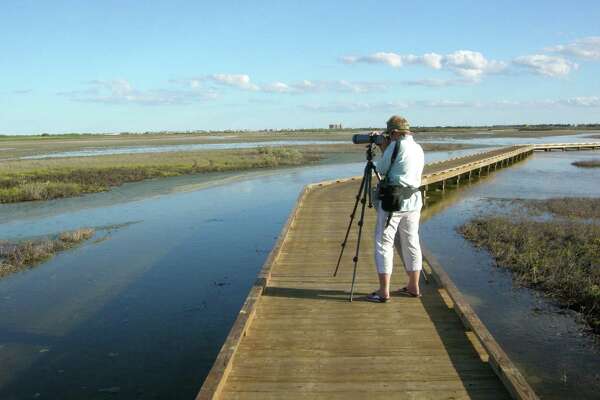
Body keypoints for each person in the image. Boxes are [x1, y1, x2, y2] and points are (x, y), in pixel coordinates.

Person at [367, 115, 425, 303]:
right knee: (411, 241)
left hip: (394, 203)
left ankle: (384, 292)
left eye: (389, 134)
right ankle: (413, 286)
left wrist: (383, 148)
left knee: (384, 243)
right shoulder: (417, 147)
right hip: (414, 200)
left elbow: (382, 170)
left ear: (393, 132)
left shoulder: (395, 145)